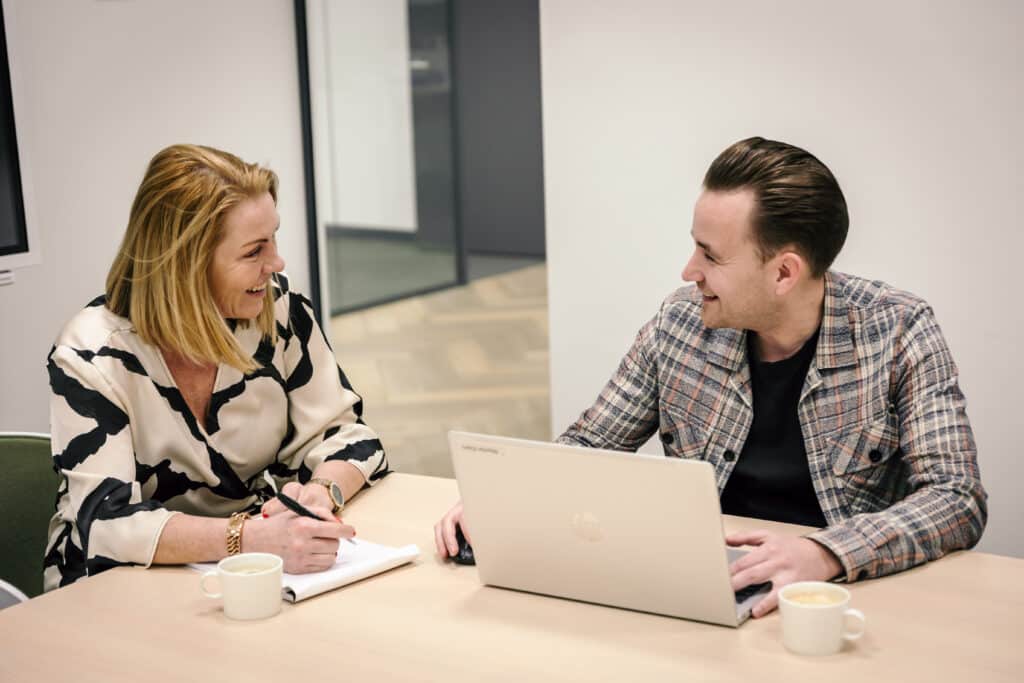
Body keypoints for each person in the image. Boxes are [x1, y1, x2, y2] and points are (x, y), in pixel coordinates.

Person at [435, 136, 987, 616]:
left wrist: (826, 552)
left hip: (839, 601)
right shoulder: (679, 324)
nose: (688, 271)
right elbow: (589, 445)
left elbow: (957, 497)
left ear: (784, 272)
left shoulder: (899, 329)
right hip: (703, 592)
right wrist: (509, 500)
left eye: (710, 255)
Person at [44, 144, 389, 591]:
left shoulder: (277, 312)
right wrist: (249, 539)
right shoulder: (91, 354)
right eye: (254, 251)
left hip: (251, 571)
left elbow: (346, 436)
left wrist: (321, 493)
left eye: (274, 239)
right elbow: (108, 524)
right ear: (185, 266)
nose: (276, 263)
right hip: (116, 584)